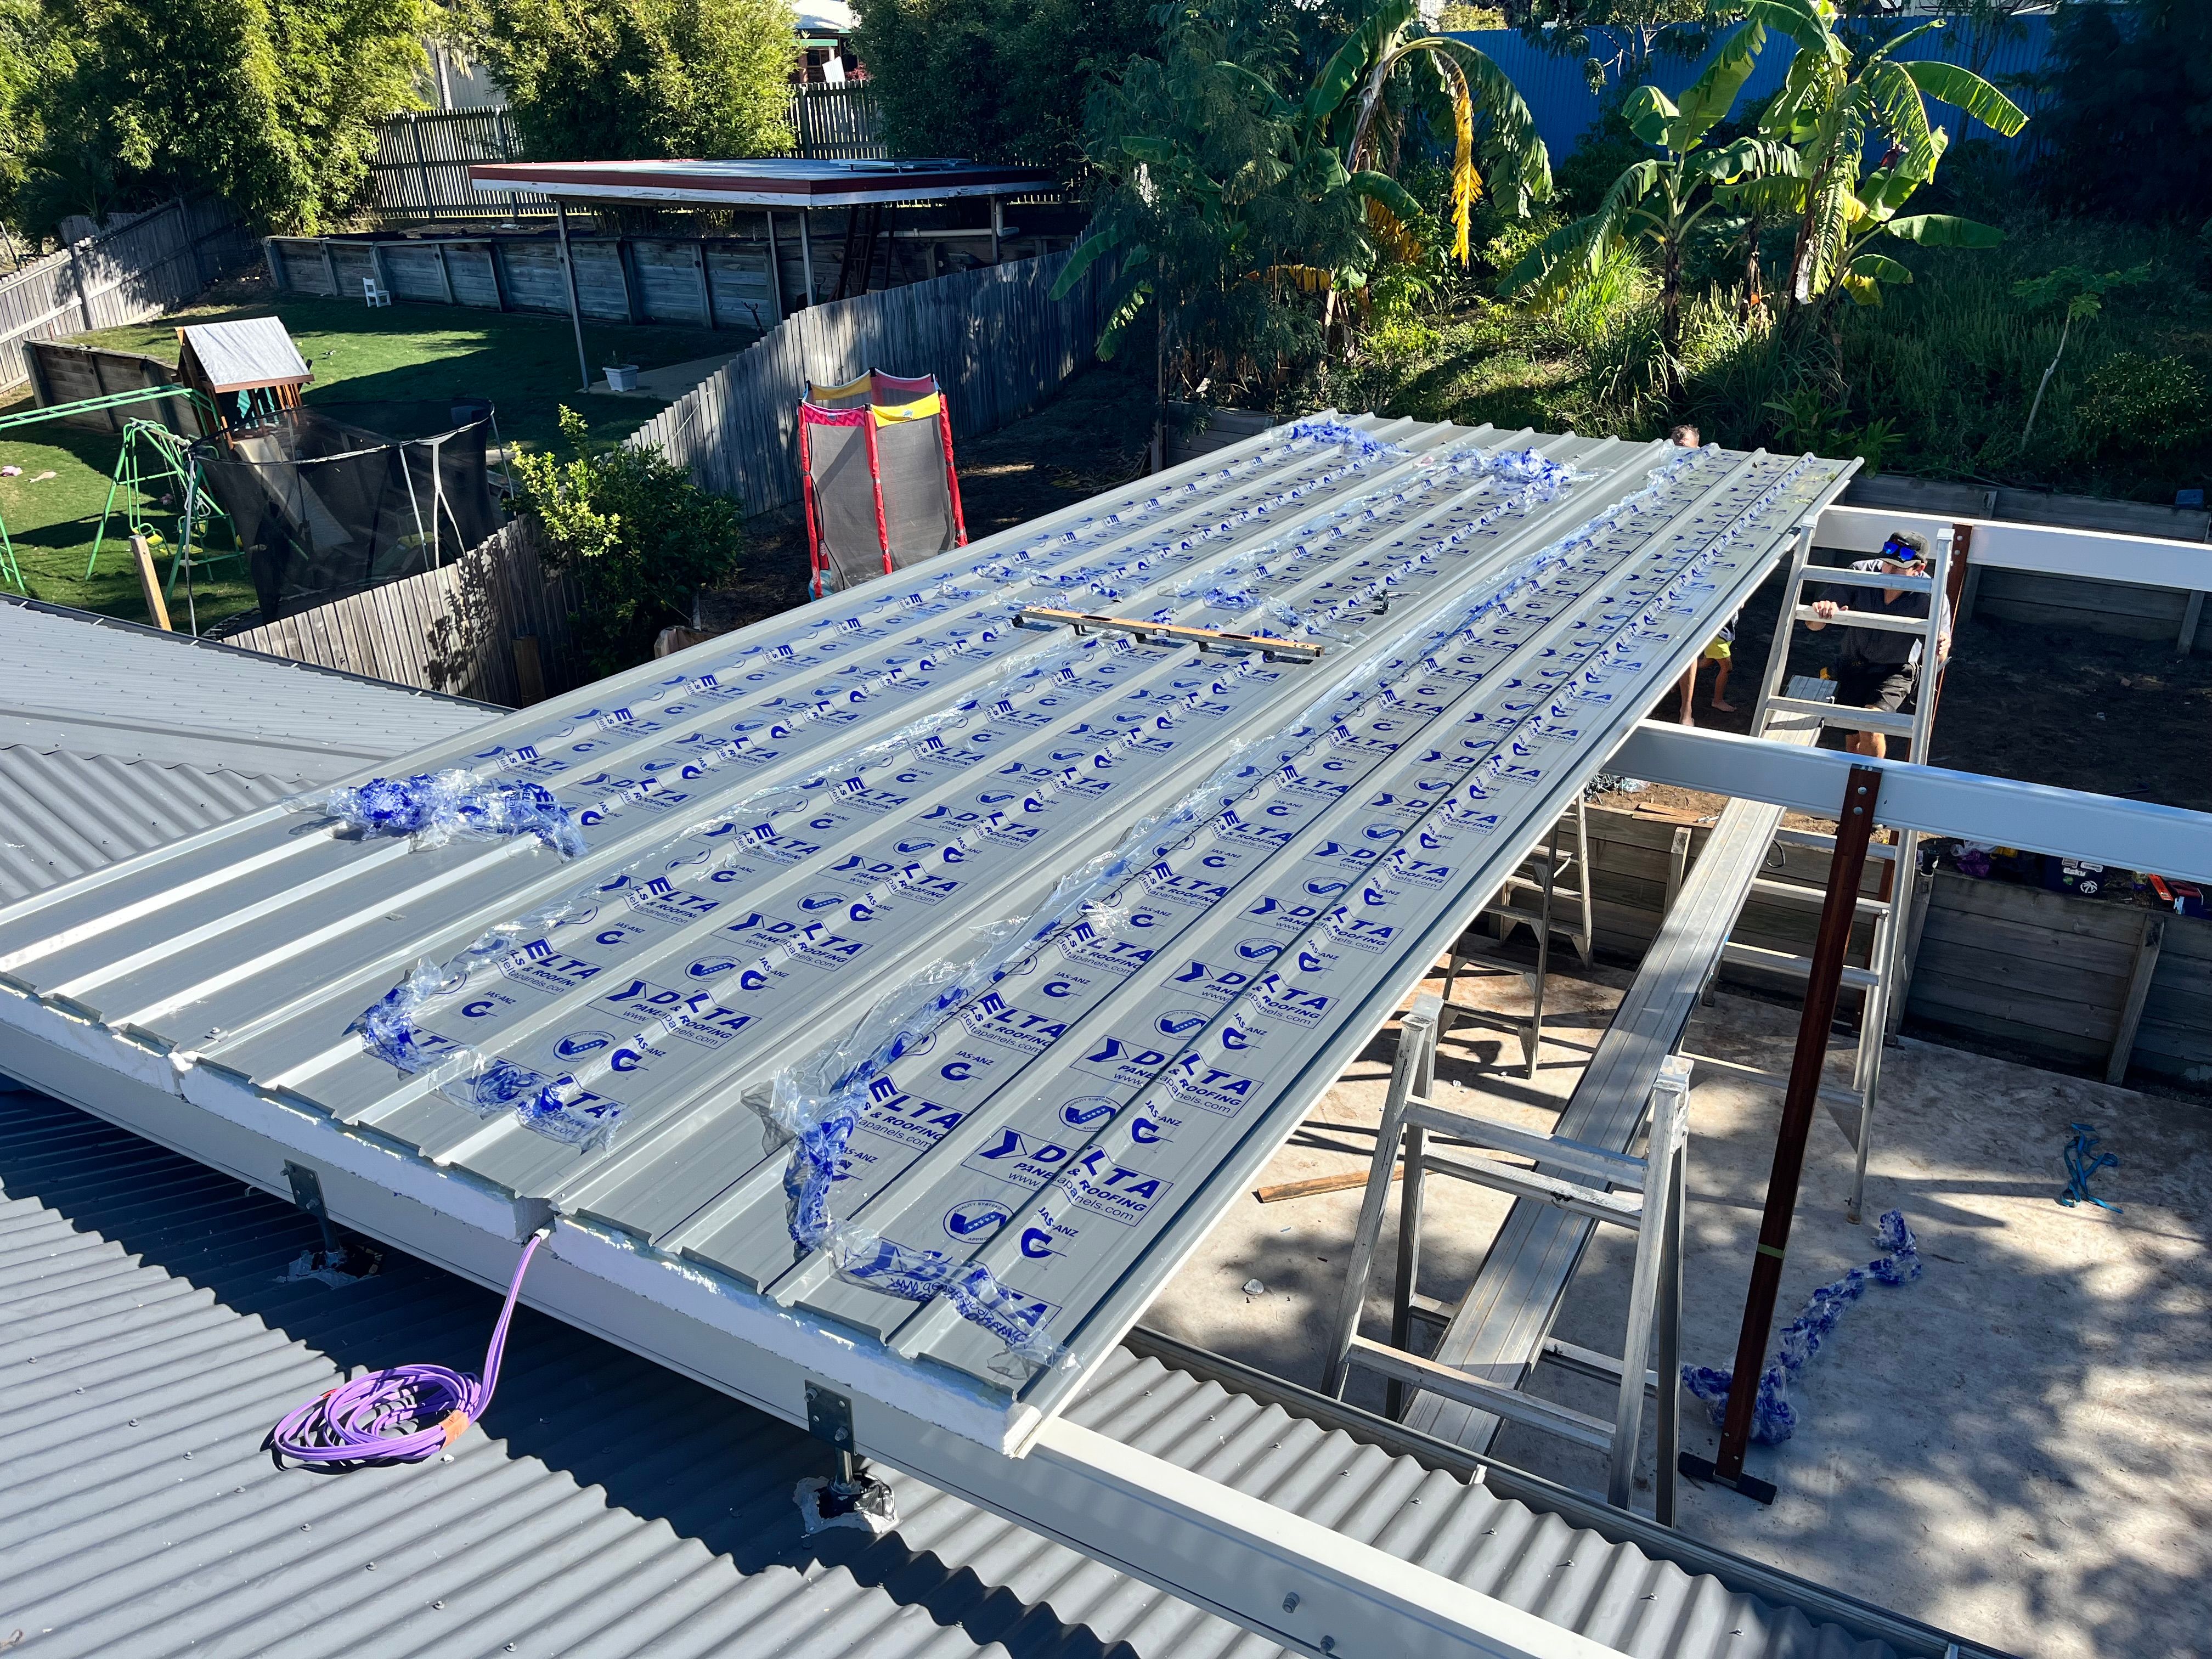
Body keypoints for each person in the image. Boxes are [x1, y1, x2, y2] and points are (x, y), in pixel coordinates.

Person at [1806, 532, 1940, 759]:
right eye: (1887, 563)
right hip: (1854, 665)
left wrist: (1941, 645)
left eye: (1898, 567)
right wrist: (1822, 612)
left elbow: (1940, 647)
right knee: (1852, 739)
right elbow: (1812, 626)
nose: (1888, 570)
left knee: (1870, 724)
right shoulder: (1860, 571)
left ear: (1919, 568)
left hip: (1896, 670)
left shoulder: (1931, 594)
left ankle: (1871, 779)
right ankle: (1856, 778)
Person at [1667, 425, 1739, 725]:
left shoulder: (1710, 476)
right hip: (1669, 563)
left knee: (1690, 645)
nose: (1682, 454)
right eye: (1678, 448)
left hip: (1698, 569)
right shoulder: (1663, 470)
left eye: (1687, 449)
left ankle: (1687, 709)